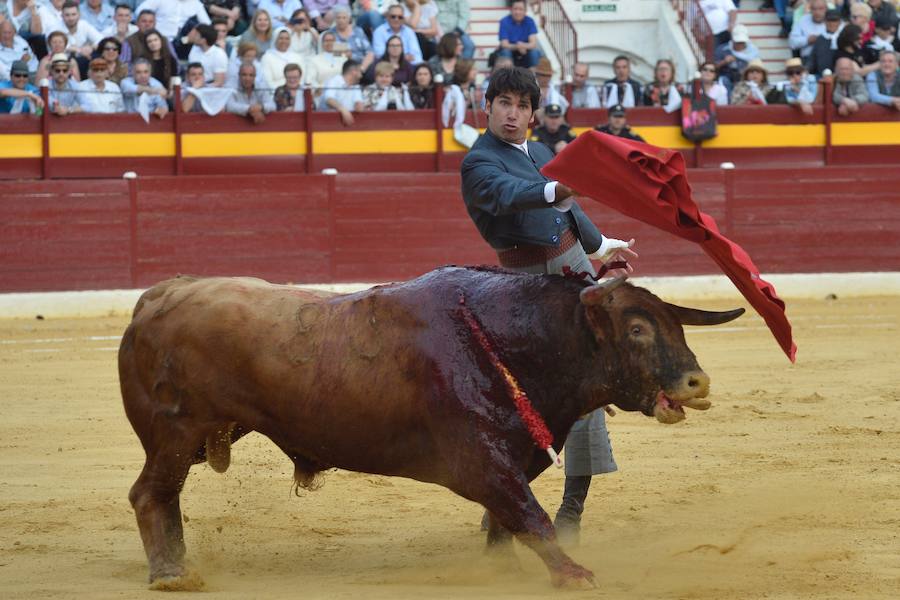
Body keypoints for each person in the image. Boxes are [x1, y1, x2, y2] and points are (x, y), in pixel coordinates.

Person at [460, 66, 636, 546]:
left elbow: (569, 209)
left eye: (522, 105)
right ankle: (503, 505)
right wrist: (556, 189)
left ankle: (572, 512)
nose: (512, 114)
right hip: (521, 289)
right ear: (488, 106)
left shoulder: (538, 151)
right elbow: (510, 196)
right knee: (522, 401)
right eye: (504, 104)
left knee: (587, 387)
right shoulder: (478, 163)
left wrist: (599, 247)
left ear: (533, 113)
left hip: (572, 270)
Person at [134, 0, 210, 41]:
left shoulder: (196, 3)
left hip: (183, 41)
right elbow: (139, 12)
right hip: (158, 38)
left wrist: (193, 32)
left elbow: (207, 24)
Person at [320, 58, 364, 125]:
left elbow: (359, 106)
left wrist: (359, 105)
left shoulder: (356, 86)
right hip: (327, 124)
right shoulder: (334, 81)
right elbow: (329, 99)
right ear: (354, 72)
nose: (361, 76)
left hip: (347, 126)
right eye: (360, 72)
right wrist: (343, 110)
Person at [714, 24, 759, 89]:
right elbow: (712, 67)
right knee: (724, 81)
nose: (740, 44)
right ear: (732, 40)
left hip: (745, 77)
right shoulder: (722, 49)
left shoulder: (753, 51)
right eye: (737, 42)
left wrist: (747, 70)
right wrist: (724, 62)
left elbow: (758, 68)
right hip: (726, 76)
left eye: (742, 42)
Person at [497, 0, 539, 69]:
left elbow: (533, 44)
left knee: (534, 53)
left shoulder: (530, 21)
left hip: (525, 51)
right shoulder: (504, 21)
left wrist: (523, 46)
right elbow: (504, 44)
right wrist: (517, 46)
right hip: (510, 50)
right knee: (505, 52)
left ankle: (533, 77)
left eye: (520, 9)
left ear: (525, 11)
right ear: (511, 10)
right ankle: (509, 77)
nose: (517, 12)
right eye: (515, 9)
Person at [328, 6, 372, 70]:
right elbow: (332, 51)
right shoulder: (331, 33)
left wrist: (362, 68)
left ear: (349, 19)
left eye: (344, 18)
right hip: (340, 66)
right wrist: (346, 53)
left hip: (361, 65)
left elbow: (369, 52)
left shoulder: (358, 31)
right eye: (338, 18)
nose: (341, 20)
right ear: (335, 19)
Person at [806, 8, 843, 79]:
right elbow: (812, 59)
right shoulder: (820, 39)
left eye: (834, 21)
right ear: (825, 22)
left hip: (839, 78)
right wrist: (806, 70)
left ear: (839, 22)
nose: (832, 23)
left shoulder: (844, 38)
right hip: (821, 77)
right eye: (829, 20)